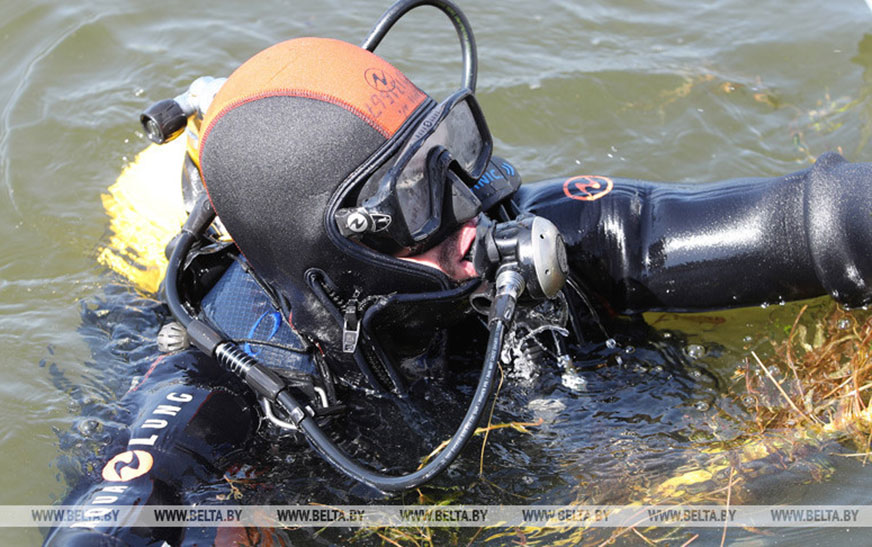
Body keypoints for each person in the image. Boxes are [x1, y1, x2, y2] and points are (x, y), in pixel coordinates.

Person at [44, 1, 872, 544]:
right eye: (412, 197)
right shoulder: (217, 394)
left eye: (449, 154)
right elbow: (111, 519)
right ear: (335, 262)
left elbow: (813, 219)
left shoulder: (544, 234)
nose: (470, 212)